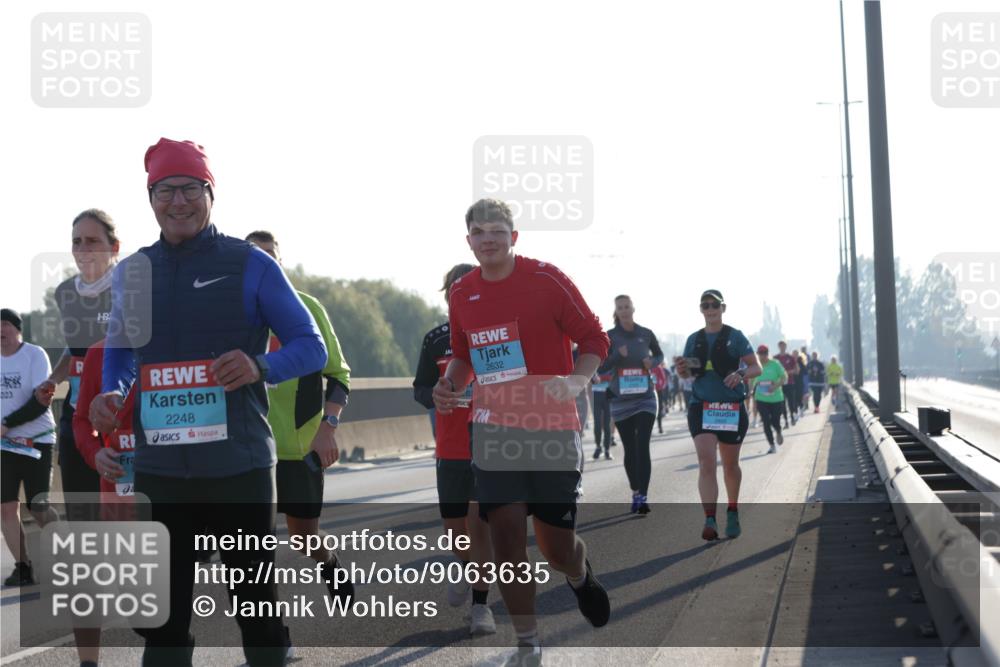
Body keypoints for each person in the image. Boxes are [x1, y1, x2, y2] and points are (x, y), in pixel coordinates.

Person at [89, 138, 328, 667]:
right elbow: (123, 349)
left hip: (238, 467)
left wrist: (259, 366)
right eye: (165, 190)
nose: (179, 201)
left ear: (211, 193)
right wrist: (113, 391)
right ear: (150, 198)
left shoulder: (252, 264)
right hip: (161, 470)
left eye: (191, 188)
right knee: (162, 622)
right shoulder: (134, 271)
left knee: (256, 611)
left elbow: (311, 348)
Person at [433, 198, 611, 667]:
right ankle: (528, 642)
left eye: (497, 230)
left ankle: (577, 573)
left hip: (551, 429)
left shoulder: (546, 279)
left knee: (555, 547)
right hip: (493, 430)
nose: (487, 238)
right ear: (468, 240)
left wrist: (576, 380)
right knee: (507, 535)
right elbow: (465, 356)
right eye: (478, 231)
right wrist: (449, 384)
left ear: (514, 236)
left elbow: (595, 339)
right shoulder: (462, 294)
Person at [245, 231, 355, 610]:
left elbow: (339, 376)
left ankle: (330, 563)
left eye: (270, 256)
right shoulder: (231, 314)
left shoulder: (306, 307)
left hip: (299, 447)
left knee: (304, 538)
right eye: (254, 257)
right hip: (250, 448)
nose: (264, 263)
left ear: (280, 262)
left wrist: (328, 429)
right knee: (251, 546)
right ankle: (275, 633)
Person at [413, 262, 496, 636]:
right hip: (450, 448)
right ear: (447, 295)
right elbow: (419, 387)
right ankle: (465, 566)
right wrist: (434, 393)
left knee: (480, 527)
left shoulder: (499, 335)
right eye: (453, 289)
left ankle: (481, 607)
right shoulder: (435, 339)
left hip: (492, 444)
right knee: (454, 531)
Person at [37, 210, 121, 506]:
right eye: (77, 242)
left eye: (92, 241)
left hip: (121, 417)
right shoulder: (64, 293)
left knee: (125, 519)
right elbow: (75, 349)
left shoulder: (133, 289)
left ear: (114, 247)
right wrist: (53, 378)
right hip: (78, 416)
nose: (83, 250)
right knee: (81, 514)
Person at [675, 290, 760, 541]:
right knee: (706, 462)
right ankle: (710, 518)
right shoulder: (694, 339)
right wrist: (682, 371)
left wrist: (741, 374)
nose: (710, 309)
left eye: (714, 305)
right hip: (701, 405)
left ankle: (732, 510)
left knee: (730, 465)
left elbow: (756, 367)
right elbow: (688, 374)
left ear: (723, 308)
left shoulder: (736, 336)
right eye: (705, 305)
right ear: (701, 309)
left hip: (731, 408)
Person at [1, 309, 58, 587]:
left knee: (38, 505)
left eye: (4, 325)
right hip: (4, 446)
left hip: (37, 441)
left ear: (17, 329)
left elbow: (42, 401)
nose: (0, 331)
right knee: (6, 508)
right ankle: (23, 566)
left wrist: (7, 423)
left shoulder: (34, 355)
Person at [599, 295, 663, 515]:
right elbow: (601, 367)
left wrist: (652, 362)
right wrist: (617, 355)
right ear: (616, 311)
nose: (624, 310)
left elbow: (660, 354)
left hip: (645, 396)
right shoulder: (610, 336)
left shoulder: (645, 333)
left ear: (633, 308)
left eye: (627, 306)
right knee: (630, 448)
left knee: (642, 444)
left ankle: (643, 497)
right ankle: (635, 491)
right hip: (621, 398)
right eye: (620, 307)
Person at [752, 345, 787, 454]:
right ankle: (772, 445)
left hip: (776, 398)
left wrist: (775, 386)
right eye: (760, 353)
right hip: (761, 398)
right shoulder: (755, 365)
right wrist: (750, 390)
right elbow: (751, 380)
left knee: (775, 420)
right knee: (766, 421)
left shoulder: (775, 364)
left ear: (767, 354)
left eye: (764, 353)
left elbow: (784, 377)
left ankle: (778, 431)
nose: (762, 356)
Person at [590, 371, 614, 459]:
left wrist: (600, 378)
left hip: (608, 394)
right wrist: (593, 379)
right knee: (597, 423)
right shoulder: (594, 362)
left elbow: (614, 376)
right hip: (596, 395)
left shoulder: (610, 362)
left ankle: (607, 450)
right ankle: (598, 447)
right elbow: (589, 377)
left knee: (607, 424)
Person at [774, 341, 798, 428]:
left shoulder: (790, 357)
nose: (782, 347)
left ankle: (792, 416)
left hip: (790, 383)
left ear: (786, 346)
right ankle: (786, 421)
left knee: (791, 402)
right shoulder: (775, 358)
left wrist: (787, 372)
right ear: (778, 346)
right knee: (782, 403)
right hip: (780, 384)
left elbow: (796, 370)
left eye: (783, 346)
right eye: (780, 346)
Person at [652, 361, 669, 433]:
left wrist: (659, 387)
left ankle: (660, 427)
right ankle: (650, 429)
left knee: (658, 409)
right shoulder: (644, 366)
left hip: (658, 391)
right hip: (648, 392)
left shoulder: (658, 367)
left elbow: (663, 379)